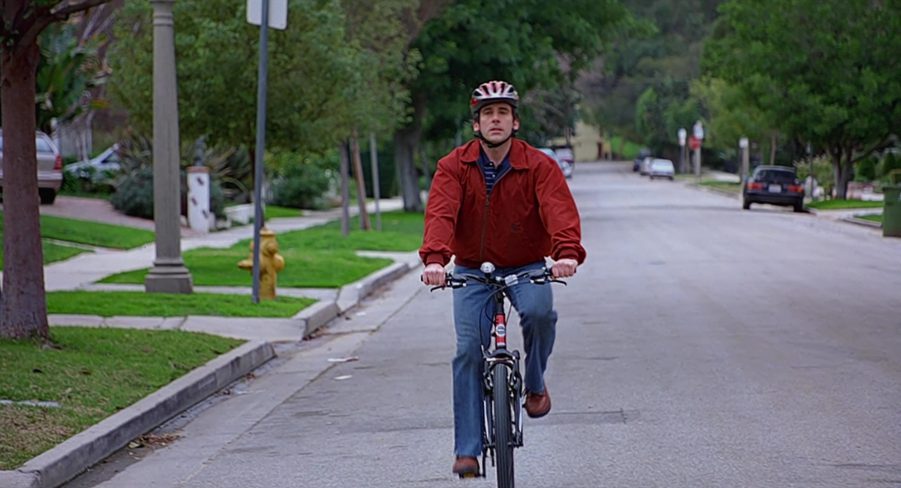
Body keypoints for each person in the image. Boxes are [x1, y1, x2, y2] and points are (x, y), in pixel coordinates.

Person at [420, 80, 586, 476]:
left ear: (515, 122)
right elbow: (442, 213)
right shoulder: (453, 166)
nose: (495, 120)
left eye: (503, 113)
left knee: (541, 312)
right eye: (487, 114)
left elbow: (558, 209)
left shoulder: (539, 166)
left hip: (527, 265)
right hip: (472, 270)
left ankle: (534, 384)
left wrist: (565, 253)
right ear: (476, 125)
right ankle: (468, 451)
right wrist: (436, 260)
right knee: (467, 351)